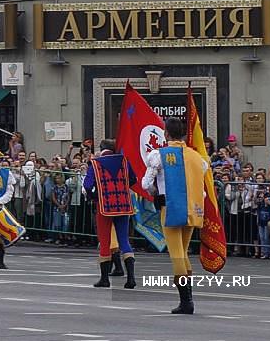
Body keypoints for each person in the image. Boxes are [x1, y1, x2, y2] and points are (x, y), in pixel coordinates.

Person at [142, 116, 208, 315]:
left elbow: (146, 184)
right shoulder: (197, 158)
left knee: (176, 254)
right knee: (184, 252)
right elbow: (202, 189)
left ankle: (186, 301)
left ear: (166, 133)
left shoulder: (159, 155)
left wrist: (156, 194)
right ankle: (187, 299)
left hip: (170, 207)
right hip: (193, 209)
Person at [83, 139, 138, 289]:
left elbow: (87, 185)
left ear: (101, 149)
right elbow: (133, 179)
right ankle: (131, 278)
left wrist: (95, 196)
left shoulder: (95, 163)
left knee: (105, 241)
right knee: (124, 240)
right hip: (123, 204)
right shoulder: (124, 161)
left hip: (104, 206)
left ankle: (104, 279)